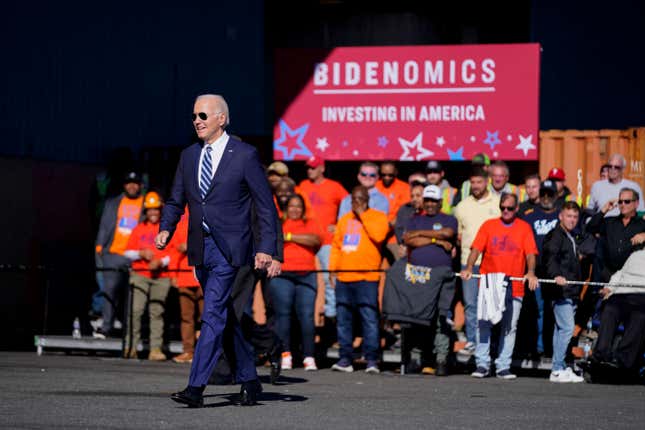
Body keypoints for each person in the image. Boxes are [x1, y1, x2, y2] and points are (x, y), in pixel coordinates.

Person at [156, 94, 277, 408]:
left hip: (230, 248)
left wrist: (268, 249)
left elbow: (266, 206)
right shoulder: (189, 156)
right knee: (224, 316)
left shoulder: (245, 155)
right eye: (194, 116)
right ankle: (250, 380)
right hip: (200, 247)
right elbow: (175, 199)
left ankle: (196, 387)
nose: (197, 120)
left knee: (211, 313)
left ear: (221, 118)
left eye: (203, 115)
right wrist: (166, 227)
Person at [461, 193, 538, 380]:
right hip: (489, 283)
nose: (505, 211)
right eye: (502, 207)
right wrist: (470, 267)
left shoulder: (524, 228)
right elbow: (476, 249)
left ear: (516, 208)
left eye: (510, 208)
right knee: (484, 324)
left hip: (514, 286)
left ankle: (503, 366)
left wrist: (531, 272)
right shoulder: (489, 226)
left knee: (509, 327)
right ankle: (482, 364)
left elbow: (530, 254)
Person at [330, 185, 389, 374]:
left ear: (367, 200)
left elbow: (379, 236)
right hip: (344, 277)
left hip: (367, 277)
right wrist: (333, 271)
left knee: (369, 319)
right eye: (354, 199)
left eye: (361, 199)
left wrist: (363, 214)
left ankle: (372, 360)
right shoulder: (344, 220)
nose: (357, 203)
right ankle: (345, 359)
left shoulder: (378, 216)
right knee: (344, 320)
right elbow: (336, 246)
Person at [402, 185, 458, 375]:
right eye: (427, 200)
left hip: (442, 274)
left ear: (440, 202)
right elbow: (409, 239)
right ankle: (417, 358)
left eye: (434, 201)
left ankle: (441, 358)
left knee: (441, 316)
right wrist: (436, 240)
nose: (430, 204)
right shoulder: (414, 219)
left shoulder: (449, 219)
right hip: (419, 274)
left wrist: (422, 234)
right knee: (417, 316)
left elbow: (448, 233)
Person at [269, 194, 323, 371]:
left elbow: (315, 240)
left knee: (306, 316)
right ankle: (286, 355)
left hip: (306, 274)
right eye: (291, 206)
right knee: (283, 316)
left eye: (298, 206)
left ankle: (309, 356)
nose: (295, 209)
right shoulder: (278, 222)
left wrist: (289, 236)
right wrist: (285, 236)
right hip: (282, 274)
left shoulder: (310, 223)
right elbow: (272, 240)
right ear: (286, 208)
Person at [453, 167, 501, 356]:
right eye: (472, 183)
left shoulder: (498, 204)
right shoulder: (462, 206)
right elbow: (458, 235)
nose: (475, 186)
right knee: (470, 304)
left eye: (479, 182)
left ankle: (491, 344)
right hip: (468, 262)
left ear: (487, 182)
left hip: (492, 262)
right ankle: (473, 340)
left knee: (491, 305)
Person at [122, 192, 175, 361]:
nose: (153, 213)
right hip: (140, 275)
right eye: (150, 210)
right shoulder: (138, 229)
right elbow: (127, 252)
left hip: (161, 276)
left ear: (161, 210)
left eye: (156, 209)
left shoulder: (167, 229)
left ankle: (155, 349)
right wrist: (141, 253)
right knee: (136, 311)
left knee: (156, 312)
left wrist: (161, 262)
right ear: (146, 211)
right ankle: (131, 347)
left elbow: (172, 253)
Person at [93, 171, 144, 339]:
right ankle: (106, 326)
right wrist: (100, 246)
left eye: (135, 183)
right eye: (129, 182)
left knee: (133, 295)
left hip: (136, 256)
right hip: (113, 254)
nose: (132, 186)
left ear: (140, 186)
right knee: (109, 292)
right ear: (124, 185)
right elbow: (104, 225)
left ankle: (130, 331)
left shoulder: (146, 205)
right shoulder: (114, 202)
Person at [298, 155, 348, 321]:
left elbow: (350, 205)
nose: (309, 170)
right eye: (307, 168)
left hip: (327, 241)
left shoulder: (334, 187)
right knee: (307, 279)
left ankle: (331, 318)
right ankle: (310, 318)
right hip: (308, 241)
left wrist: (340, 225)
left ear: (322, 168)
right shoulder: (303, 186)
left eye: (313, 167)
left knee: (328, 280)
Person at [541, 202, 585, 383]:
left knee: (560, 330)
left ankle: (558, 367)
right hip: (561, 291)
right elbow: (549, 257)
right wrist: (556, 275)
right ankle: (557, 368)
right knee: (567, 328)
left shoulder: (570, 236)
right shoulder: (556, 236)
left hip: (571, 291)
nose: (572, 220)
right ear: (561, 216)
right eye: (569, 216)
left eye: (575, 217)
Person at [519, 180, 561, 359]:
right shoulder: (529, 215)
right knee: (537, 309)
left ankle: (553, 348)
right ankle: (537, 347)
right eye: (542, 194)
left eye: (549, 194)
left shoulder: (562, 216)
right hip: (535, 270)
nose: (545, 198)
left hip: (556, 271)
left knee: (556, 309)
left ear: (556, 196)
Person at [591, 246, 645, 374]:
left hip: (642, 295)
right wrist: (609, 288)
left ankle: (623, 359)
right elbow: (620, 273)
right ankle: (601, 354)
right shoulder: (635, 255)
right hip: (622, 293)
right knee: (610, 308)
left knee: (640, 316)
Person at [586, 188, 645, 281]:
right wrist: (603, 210)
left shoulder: (642, 224)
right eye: (620, 202)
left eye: (627, 201)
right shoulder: (610, 222)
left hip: (631, 276)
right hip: (608, 275)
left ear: (636, 203)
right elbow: (590, 228)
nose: (623, 205)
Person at [170, 208, 203, 364]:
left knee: (207, 317)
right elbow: (174, 250)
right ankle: (188, 351)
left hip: (203, 275)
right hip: (184, 275)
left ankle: (205, 352)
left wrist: (190, 246)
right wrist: (173, 274)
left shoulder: (208, 207)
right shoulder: (180, 216)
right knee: (186, 318)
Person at [376, 161, 410, 261]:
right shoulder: (375, 186)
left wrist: (388, 226)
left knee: (398, 268)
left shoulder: (404, 188)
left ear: (396, 173)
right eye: (383, 175)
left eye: (390, 175)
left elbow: (403, 214)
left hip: (394, 238)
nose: (386, 177)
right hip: (376, 236)